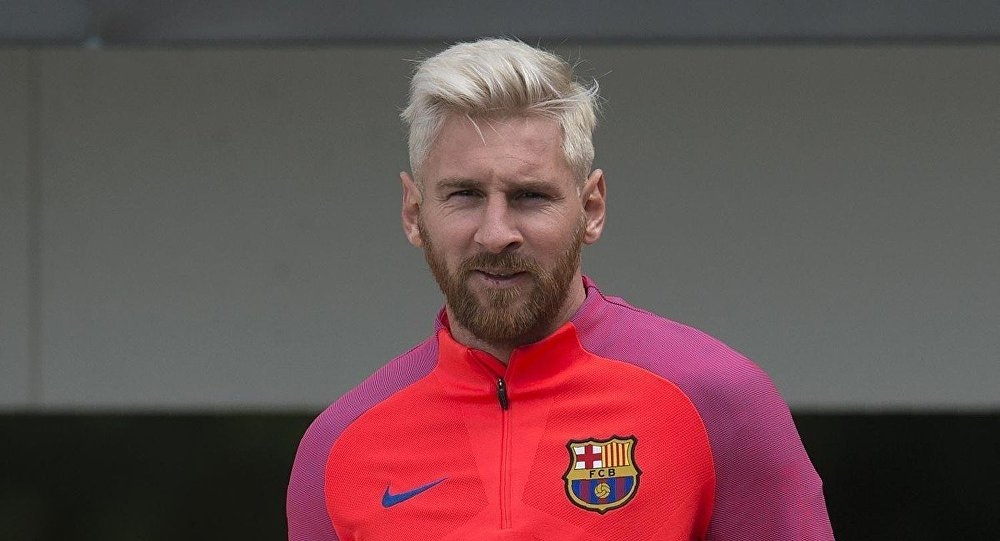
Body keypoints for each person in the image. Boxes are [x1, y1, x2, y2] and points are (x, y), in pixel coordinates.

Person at [287, 38, 834, 540]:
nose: (496, 233)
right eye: (464, 195)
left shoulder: (717, 400)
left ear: (591, 208)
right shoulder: (338, 447)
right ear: (413, 213)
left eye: (530, 196)